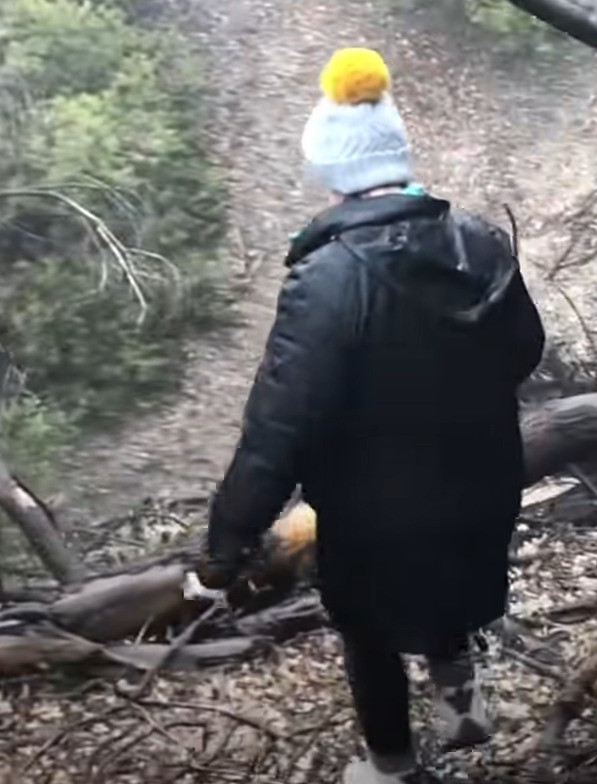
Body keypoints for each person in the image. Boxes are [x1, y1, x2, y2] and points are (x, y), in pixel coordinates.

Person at [200, 46, 547, 784]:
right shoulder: (476, 239)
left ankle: (390, 766)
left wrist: (224, 545)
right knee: (447, 574)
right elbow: (525, 348)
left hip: (376, 507)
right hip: (484, 485)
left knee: (368, 627)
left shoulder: (328, 278)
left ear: (334, 172)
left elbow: (279, 428)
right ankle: (459, 696)